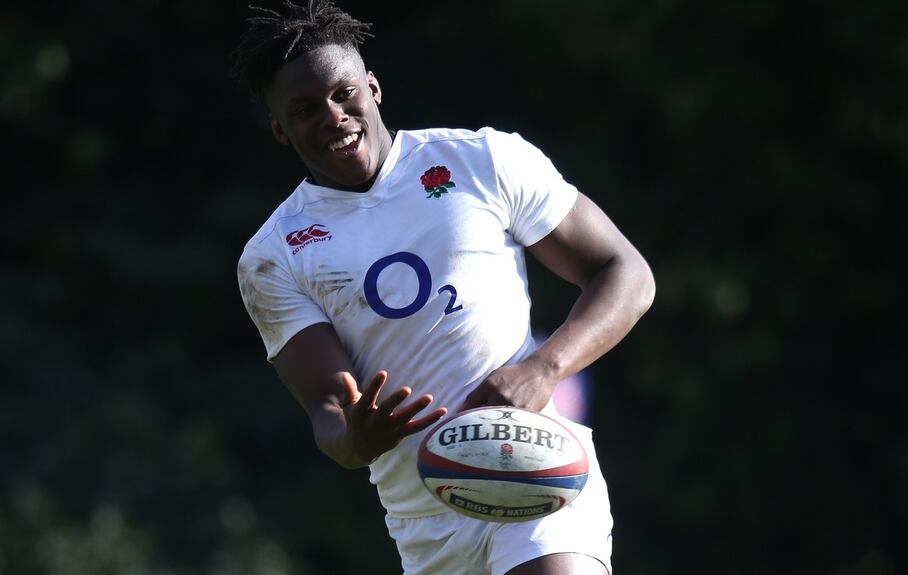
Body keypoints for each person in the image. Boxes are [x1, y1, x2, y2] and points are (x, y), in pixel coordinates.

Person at [230, 2, 655, 573]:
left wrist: (543, 370)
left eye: (342, 93)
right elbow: (328, 411)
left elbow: (624, 272)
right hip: (427, 520)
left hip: (536, 464)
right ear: (280, 129)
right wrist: (358, 438)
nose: (332, 117)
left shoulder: (482, 160)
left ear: (373, 88)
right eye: (305, 110)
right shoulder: (273, 254)